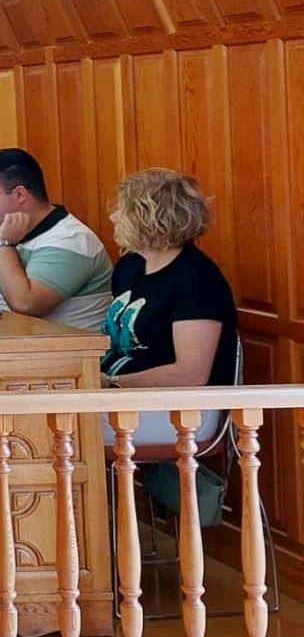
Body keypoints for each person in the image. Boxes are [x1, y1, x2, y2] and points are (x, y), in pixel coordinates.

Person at [99, 169, 239, 450]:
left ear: (148, 218)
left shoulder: (197, 279)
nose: (113, 218)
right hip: (122, 397)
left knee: (53, 425)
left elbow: (190, 374)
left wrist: (112, 384)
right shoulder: (130, 265)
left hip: (180, 409)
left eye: (123, 211)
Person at [0, 148, 113, 328]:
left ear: (20, 195)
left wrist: (5, 245)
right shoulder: (1, 233)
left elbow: (26, 305)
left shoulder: (70, 239)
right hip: (7, 346)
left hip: (61, 351)